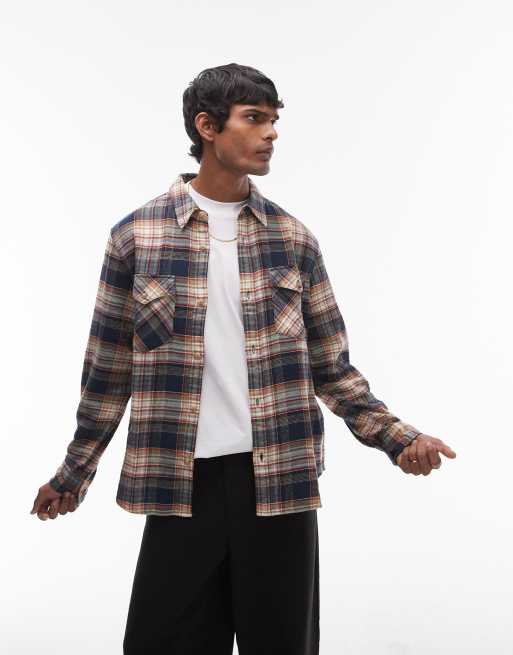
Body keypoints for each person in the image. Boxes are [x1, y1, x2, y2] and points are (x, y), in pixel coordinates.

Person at [30, 62, 457, 654]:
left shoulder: (293, 239)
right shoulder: (137, 237)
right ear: (207, 127)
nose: (271, 133)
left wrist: (398, 438)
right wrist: (74, 473)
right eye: (254, 118)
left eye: (274, 120)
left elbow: (331, 368)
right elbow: (108, 372)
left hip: (279, 480)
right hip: (182, 484)